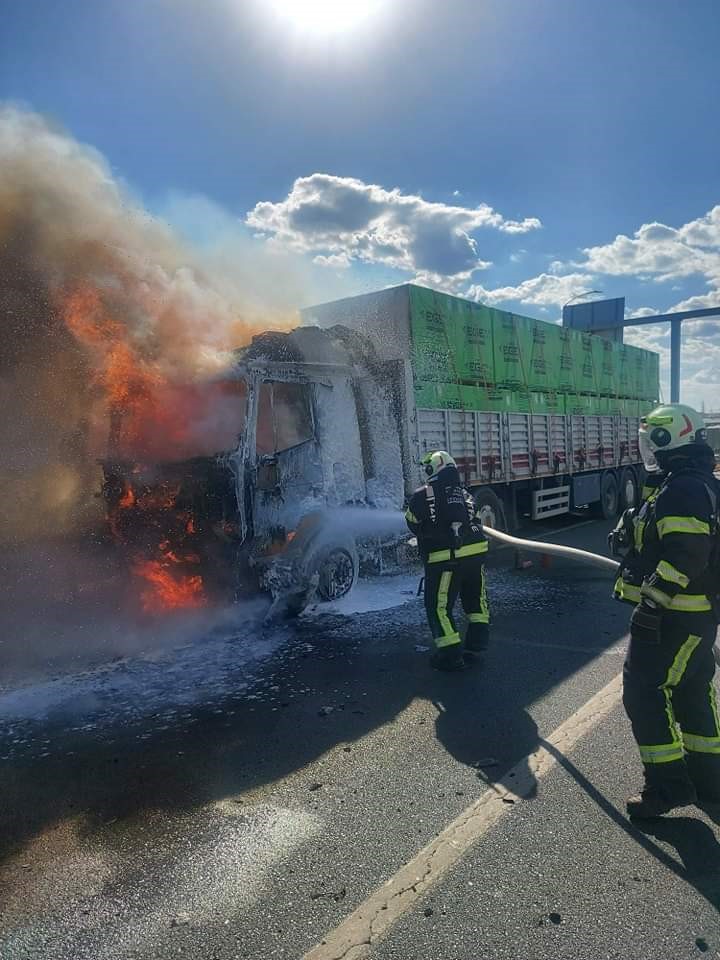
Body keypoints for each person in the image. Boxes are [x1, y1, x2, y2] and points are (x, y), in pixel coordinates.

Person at [611, 403, 720, 818]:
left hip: (675, 616)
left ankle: (667, 787)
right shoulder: (690, 483)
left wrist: (652, 603)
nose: (648, 449)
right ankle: (710, 779)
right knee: (691, 692)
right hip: (695, 617)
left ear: (668, 438)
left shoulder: (684, 489)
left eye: (651, 439)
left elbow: (686, 555)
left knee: (643, 692)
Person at [405, 451, 490, 671]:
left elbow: (411, 522)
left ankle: (450, 656)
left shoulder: (423, 494)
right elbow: (476, 520)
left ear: (432, 469)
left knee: (438, 607)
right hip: (476, 554)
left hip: (445, 559)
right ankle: (477, 645)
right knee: (476, 600)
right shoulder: (465, 494)